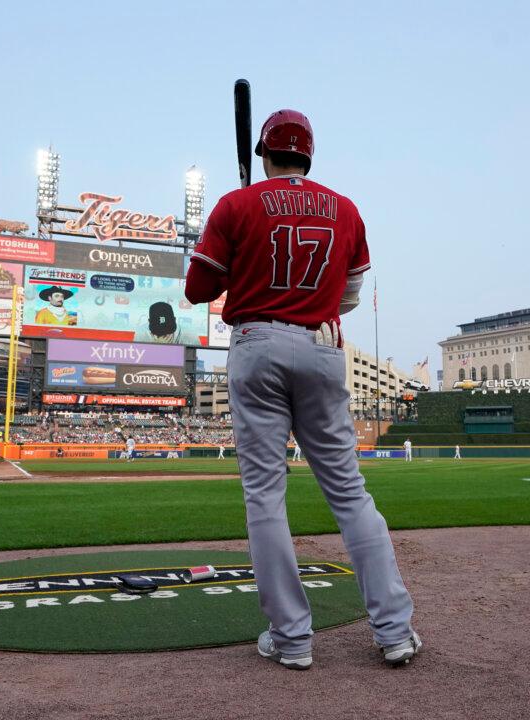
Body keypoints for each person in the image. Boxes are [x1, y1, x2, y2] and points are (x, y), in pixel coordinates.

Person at [184, 108, 417, 670]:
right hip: (322, 342)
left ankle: (291, 639)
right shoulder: (345, 208)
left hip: (256, 342)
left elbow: (197, 288)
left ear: (265, 154)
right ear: (309, 156)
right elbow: (350, 294)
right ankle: (395, 632)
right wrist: (309, 309)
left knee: (266, 496)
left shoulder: (237, 204)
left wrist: (241, 259)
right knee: (350, 493)